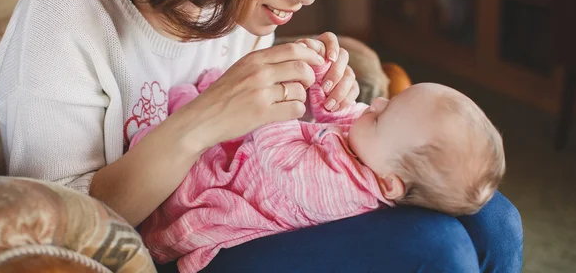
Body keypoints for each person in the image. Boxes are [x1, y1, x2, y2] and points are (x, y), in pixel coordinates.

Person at [0, 0, 523, 272]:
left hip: (251, 218)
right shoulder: (71, 4)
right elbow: (61, 229)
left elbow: (261, 160)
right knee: (438, 249)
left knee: (495, 220)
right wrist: (204, 120)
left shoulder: (236, 3)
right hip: (175, 248)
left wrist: (316, 105)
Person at [130, 62, 505, 272]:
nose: (373, 105)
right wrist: (324, 84)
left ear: (389, 185)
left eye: (381, 116)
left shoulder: (334, 188)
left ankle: (178, 115)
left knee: (193, 141)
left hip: (233, 209)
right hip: (257, 193)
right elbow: (345, 119)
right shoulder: (377, 157)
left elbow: (269, 153)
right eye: (388, 100)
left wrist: (279, 103)